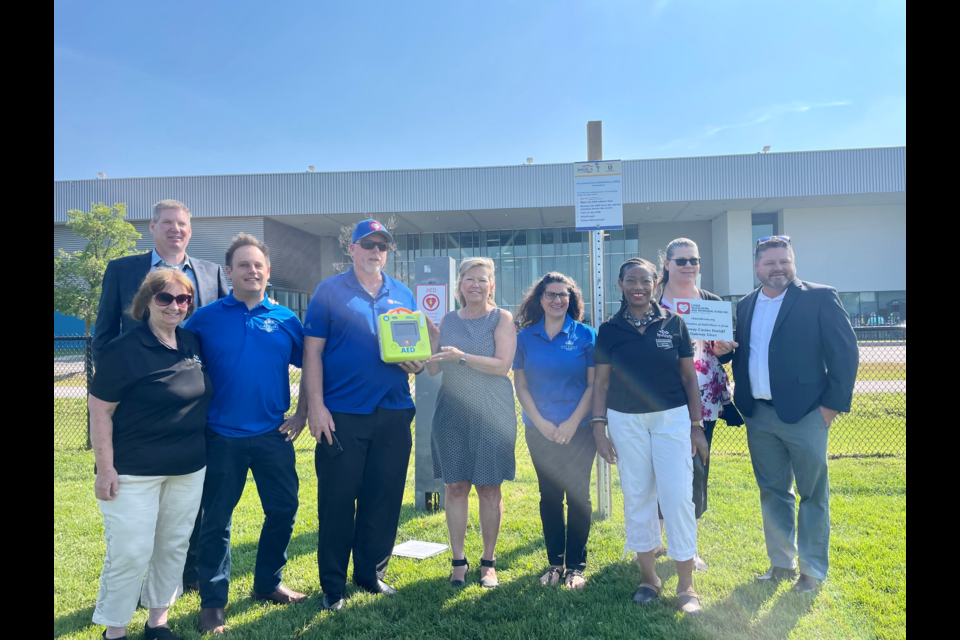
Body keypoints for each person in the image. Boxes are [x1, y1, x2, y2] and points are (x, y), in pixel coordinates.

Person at [713, 236, 858, 593]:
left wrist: (831, 407)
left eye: (785, 261)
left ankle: (812, 571)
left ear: (793, 262)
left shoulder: (820, 296)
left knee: (812, 494)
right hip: (758, 415)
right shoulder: (747, 304)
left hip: (807, 413)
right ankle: (781, 563)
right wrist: (725, 351)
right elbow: (750, 351)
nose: (779, 268)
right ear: (757, 268)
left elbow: (845, 353)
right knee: (773, 492)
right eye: (771, 263)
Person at [184, 234, 309, 634]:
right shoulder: (205, 318)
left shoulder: (287, 320)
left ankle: (268, 583)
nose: (252, 271)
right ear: (229, 272)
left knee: (284, 509)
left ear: (267, 272)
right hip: (221, 436)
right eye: (244, 265)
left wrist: (302, 413)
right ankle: (213, 603)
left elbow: (313, 366)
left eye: (258, 265)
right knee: (216, 519)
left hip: (274, 435)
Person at [302, 219, 425, 612]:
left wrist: (417, 363)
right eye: (367, 244)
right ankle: (334, 587)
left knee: (384, 498)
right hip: (342, 415)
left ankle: (370, 574)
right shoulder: (329, 291)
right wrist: (316, 407)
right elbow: (312, 353)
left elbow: (413, 350)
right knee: (338, 500)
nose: (375, 252)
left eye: (382, 246)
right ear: (351, 249)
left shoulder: (402, 292)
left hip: (393, 410)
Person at [88, 269, 211, 640]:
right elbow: (100, 410)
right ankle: (115, 631)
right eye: (166, 298)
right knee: (130, 551)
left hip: (188, 469)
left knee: (173, 546)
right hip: (133, 471)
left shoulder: (192, 343)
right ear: (148, 302)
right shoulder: (123, 349)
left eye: (183, 299)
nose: (175, 306)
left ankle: (158, 621)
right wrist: (105, 468)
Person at [591, 258, 709, 615]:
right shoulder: (610, 329)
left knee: (676, 497)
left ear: (656, 282)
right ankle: (649, 578)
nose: (638, 286)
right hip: (625, 420)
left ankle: (686, 585)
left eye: (645, 280)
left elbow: (690, 379)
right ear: (620, 284)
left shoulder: (674, 324)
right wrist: (599, 427)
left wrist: (696, 425)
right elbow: (602, 382)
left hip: (671, 418)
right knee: (638, 495)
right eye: (631, 280)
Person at [426, 257, 517, 589]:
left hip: (492, 410)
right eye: (470, 279)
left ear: (492, 285)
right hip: (451, 410)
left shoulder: (501, 318)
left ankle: (488, 562)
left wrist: (461, 356)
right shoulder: (447, 320)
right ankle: (459, 560)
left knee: (489, 487)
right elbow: (434, 369)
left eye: (483, 279)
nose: (476, 285)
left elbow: (502, 366)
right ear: (459, 285)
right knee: (455, 486)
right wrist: (432, 344)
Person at [656, 238, 741, 570]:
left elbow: (725, 352)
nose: (688, 266)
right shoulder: (653, 300)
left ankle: (688, 546)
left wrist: (727, 350)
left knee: (695, 470)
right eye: (681, 261)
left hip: (702, 401)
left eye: (694, 260)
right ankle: (658, 539)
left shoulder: (712, 302)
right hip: (658, 397)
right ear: (667, 263)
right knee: (658, 469)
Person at [513, 272, 597, 589]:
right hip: (539, 429)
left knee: (578, 497)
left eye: (564, 295)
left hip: (580, 429)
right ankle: (555, 564)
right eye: (551, 294)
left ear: (571, 299)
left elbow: (593, 386)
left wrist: (573, 422)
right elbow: (520, 385)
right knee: (549, 497)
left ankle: (576, 566)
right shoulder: (525, 337)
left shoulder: (587, 335)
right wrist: (542, 422)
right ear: (540, 299)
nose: (557, 300)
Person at [93, 199, 229, 365]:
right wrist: (105, 378)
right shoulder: (120, 270)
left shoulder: (212, 272)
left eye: (181, 223)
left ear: (189, 231)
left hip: (202, 374)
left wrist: (264, 305)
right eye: (167, 222)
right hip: (141, 375)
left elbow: (229, 317)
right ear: (152, 226)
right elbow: (105, 332)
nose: (176, 229)